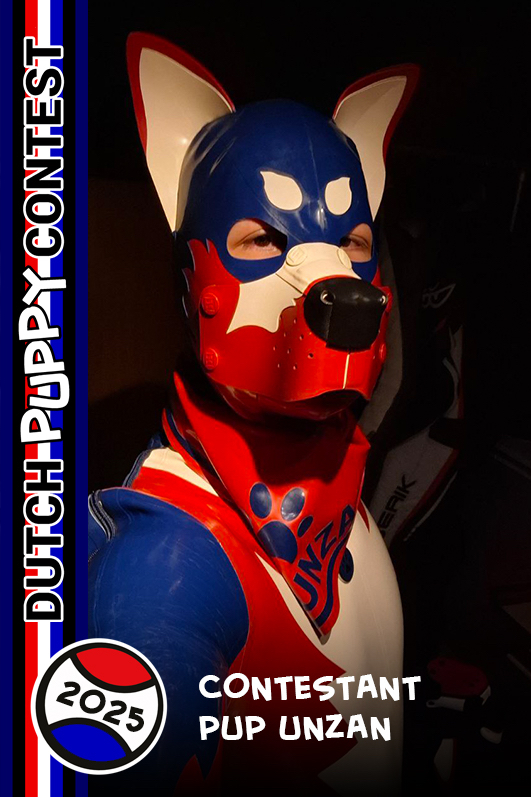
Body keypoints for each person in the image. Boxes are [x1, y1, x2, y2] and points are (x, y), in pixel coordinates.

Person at [88, 32, 418, 795]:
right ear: (191, 277)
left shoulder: (338, 483)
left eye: (352, 240)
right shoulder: (162, 572)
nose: (337, 281)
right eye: (264, 239)